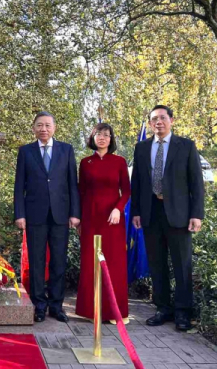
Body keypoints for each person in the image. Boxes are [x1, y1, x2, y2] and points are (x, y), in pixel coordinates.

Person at [130, 105, 204, 331]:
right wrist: (136, 212)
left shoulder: (186, 146)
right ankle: (163, 308)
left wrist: (196, 214)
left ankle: (182, 312)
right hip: (151, 213)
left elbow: (196, 184)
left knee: (182, 264)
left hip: (179, 214)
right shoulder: (141, 148)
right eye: (154, 119)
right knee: (157, 263)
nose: (158, 122)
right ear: (150, 124)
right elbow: (137, 184)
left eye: (163, 118)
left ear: (171, 120)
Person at [14, 111, 81, 323]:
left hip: (61, 215)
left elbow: (73, 184)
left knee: (59, 262)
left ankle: (56, 306)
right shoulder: (26, 152)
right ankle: (38, 305)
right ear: (34, 128)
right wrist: (20, 214)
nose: (44, 129)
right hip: (35, 215)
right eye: (39, 125)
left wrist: (75, 213)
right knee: (36, 262)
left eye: (47, 125)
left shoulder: (66, 150)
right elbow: (19, 187)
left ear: (54, 128)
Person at [75, 123, 130, 324]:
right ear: (93, 137)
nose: (102, 138)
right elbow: (81, 192)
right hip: (90, 218)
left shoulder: (119, 162)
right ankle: (91, 310)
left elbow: (127, 191)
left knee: (114, 262)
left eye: (106, 135)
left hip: (112, 219)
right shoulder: (85, 162)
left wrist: (118, 209)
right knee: (91, 262)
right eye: (98, 134)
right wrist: (79, 218)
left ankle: (116, 312)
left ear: (111, 139)